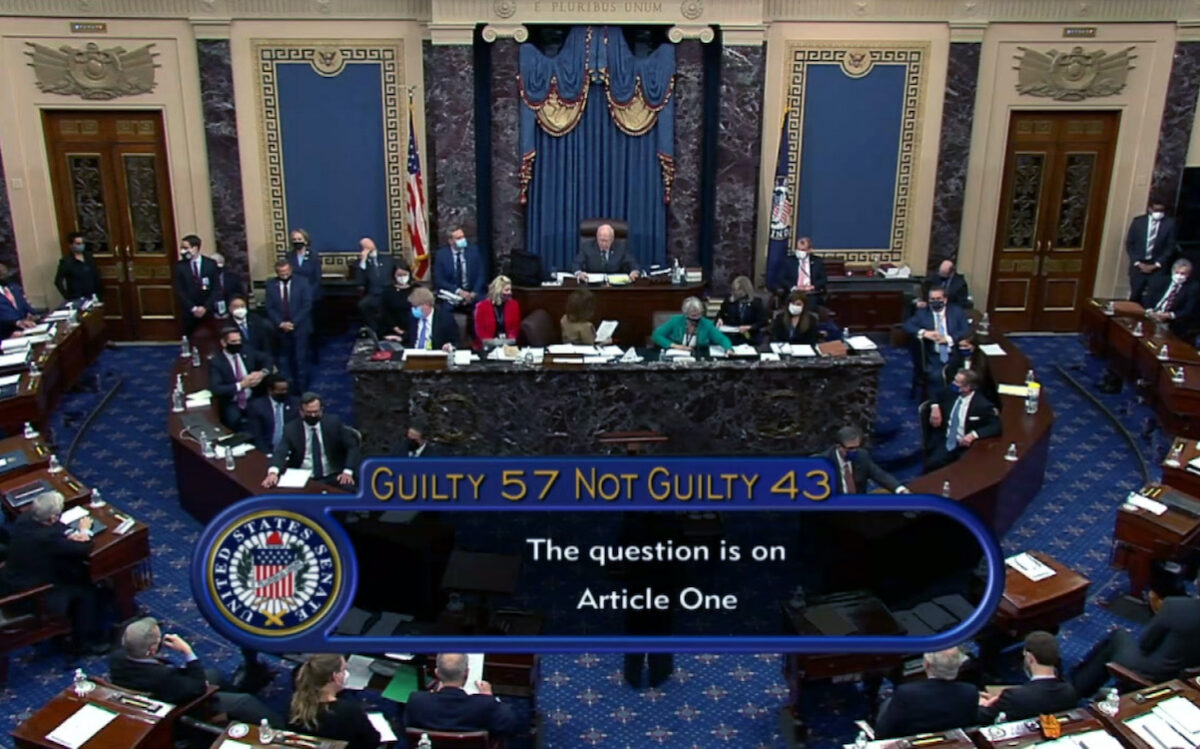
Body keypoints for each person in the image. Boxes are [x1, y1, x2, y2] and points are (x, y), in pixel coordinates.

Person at [109, 617, 282, 725]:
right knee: (244, 701)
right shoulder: (164, 676)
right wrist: (187, 651)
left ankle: (240, 689)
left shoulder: (116, 658)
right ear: (153, 650)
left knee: (215, 674)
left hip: (157, 690)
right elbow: (198, 687)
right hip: (180, 707)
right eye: (159, 639)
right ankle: (282, 730)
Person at [0, 491, 106, 655]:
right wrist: (84, 531)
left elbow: (55, 529)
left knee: (72, 572)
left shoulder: (25, 519)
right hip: (31, 596)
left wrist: (70, 533)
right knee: (86, 591)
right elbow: (83, 548)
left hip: (12, 582)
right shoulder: (46, 538)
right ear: (51, 518)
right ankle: (83, 643)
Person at [1071, 570, 1200, 698]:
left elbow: (1145, 644)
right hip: (1184, 680)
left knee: (1118, 637)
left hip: (1153, 672)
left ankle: (1075, 690)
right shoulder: (1179, 606)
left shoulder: (1176, 606)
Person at [404, 653, 518, 737]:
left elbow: (407, 728)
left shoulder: (417, 701)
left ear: (437, 673)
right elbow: (510, 726)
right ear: (467, 673)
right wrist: (489, 696)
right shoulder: (485, 704)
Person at [262, 392, 360, 488]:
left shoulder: (333, 423)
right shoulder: (291, 429)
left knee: (349, 489)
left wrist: (347, 471)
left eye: (316, 412)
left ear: (321, 410)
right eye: (309, 412)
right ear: (301, 412)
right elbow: (281, 452)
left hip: (333, 474)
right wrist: (273, 473)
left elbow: (352, 446)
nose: (313, 415)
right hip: (303, 476)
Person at [875, 648, 977, 738]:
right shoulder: (970, 691)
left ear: (926, 664)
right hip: (952, 743)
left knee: (886, 699)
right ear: (959, 665)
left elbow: (883, 732)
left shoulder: (906, 693)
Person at [979, 631, 1076, 724]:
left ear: (1030, 658)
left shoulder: (1014, 696)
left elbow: (983, 717)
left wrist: (980, 702)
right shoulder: (1069, 691)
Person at [288, 654, 380, 749]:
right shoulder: (349, 711)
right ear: (335, 676)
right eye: (343, 670)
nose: (346, 674)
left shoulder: (293, 704)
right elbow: (372, 740)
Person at [926, 368, 1001, 470]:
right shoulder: (950, 393)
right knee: (932, 465)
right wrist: (935, 407)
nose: (953, 383)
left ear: (967, 387)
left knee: (964, 470)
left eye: (957, 382)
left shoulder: (982, 405)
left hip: (965, 446)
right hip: (946, 440)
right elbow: (934, 393)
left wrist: (973, 435)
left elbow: (995, 426)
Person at [904, 286, 969, 400]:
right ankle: (937, 404)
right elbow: (907, 326)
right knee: (937, 377)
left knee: (964, 375)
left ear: (945, 299)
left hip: (954, 354)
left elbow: (965, 330)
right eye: (932, 299)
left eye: (938, 298)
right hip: (933, 355)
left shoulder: (956, 311)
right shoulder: (923, 313)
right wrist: (924, 333)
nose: (935, 302)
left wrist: (948, 339)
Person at [209, 327, 271, 431]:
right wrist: (241, 385)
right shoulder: (217, 362)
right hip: (233, 401)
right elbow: (216, 388)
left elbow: (268, 358)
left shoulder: (247, 351)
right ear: (223, 343)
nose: (237, 344)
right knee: (233, 421)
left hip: (252, 397)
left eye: (239, 341)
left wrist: (262, 373)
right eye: (233, 341)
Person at [265, 258, 312, 392]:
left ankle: (302, 389)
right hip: (280, 329)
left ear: (290, 270)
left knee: (300, 359)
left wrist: (293, 323)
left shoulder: (302, 282)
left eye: (286, 272)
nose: (284, 275)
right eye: (281, 273)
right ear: (277, 272)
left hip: (299, 327)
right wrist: (280, 323)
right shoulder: (270, 285)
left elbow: (307, 305)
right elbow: (270, 308)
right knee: (286, 359)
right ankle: (288, 388)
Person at [817, 425, 907, 494]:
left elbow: (880, 475)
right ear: (839, 447)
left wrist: (899, 489)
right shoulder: (822, 461)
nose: (854, 451)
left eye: (857, 447)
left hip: (858, 508)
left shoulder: (862, 456)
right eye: (850, 448)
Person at [1126, 200, 1176, 304]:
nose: (1159, 213)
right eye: (1156, 210)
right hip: (1138, 267)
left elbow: (1170, 247)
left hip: (1157, 268)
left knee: (1152, 298)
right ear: (1150, 209)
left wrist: (1156, 265)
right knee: (1135, 296)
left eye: (1162, 210)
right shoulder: (1138, 222)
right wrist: (1138, 263)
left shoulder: (1169, 224)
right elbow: (1130, 244)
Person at [433, 226, 488, 313]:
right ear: (451, 241)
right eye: (459, 238)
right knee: (444, 309)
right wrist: (458, 291)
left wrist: (473, 293)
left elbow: (481, 275)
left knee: (484, 305)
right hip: (453, 293)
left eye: (463, 237)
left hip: (472, 292)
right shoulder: (441, 255)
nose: (463, 240)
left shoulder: (474, 251)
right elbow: (439, 280)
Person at [173, 234, 218, 337]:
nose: (182, 251)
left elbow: (216, 288)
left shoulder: (210, 264)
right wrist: (193, 308)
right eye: (181, 248)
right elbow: (179, 290)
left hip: (207, 310)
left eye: (185, 248)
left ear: (195, 248)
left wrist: (205, 307)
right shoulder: (180, 266)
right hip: (189, 311)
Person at [652, 296, 732, 352]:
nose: (697, 318)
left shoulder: (706, 324)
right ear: (686, 314)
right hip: (677, 356)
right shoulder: (676, 321)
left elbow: (722, 339)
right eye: (693, 315)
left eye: (699, 314)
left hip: (698, 357)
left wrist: (728, 349)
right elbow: (656, 335)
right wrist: (676, 346)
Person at [1143, 258, 1198, 338]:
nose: (1179, 276)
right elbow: (1147, 298)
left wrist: (1168, 315)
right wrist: (1150, 311)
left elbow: (1188, 311)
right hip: (1151, 315)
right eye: (1177, 272)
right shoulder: (1161, 281)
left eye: (1183, 274)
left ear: (1188, 275)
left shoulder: (1192, 288)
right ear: (1172, 271)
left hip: (1171, 322)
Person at [769, 236, 827, 308]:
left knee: (812, 303)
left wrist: (813, 286)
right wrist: (794, 287)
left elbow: (823, 279)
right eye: (798, 249)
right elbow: (781, 278)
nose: (799, 252)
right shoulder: (788, 261)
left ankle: (809, 318)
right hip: (794, 292)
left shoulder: (817, 261)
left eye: (803, 250)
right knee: (794, 301)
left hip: (810, 293)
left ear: (810, 250)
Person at [247, 374, 298, 454]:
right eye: (280, 390)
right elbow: (257, 436)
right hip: (267, 450)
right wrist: (267, 454)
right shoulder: (257, 406)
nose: (284, 392)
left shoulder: (295, 404)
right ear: (270, 390)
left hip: (291, 450)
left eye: (286, 389)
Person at [573, 223, 641, 280]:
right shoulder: (587, 247)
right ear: (597, 237)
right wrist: (579, 273)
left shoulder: (621, 247)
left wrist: (634, 272)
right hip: (592, 285)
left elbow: (633, 263)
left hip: (615, 286)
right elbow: (576, 263)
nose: (603, 243)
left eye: (606, 241)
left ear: (612, 239)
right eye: (601, 240)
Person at [356, 237, 395, 330]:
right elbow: (360, 280)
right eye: (365, 245)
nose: (368, 246)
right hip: (374, 294)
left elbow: (397, 272)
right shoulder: (361, 263)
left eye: (369, 243)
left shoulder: (387, 258)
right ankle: (373, 330)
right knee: (363, 305)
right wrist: (363, 261)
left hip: (389, 292)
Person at [404, 287, 459, 352]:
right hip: (413, 355)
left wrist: (449, 346)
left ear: (427, 304)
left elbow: (455, 342)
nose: (413, 309)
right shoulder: (412, 318)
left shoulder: (445, 318)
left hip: (434, 356)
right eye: (412, 306)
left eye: (416, 306)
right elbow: (408, 339)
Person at [473, 275, 521, 348]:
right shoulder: (481, 307)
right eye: (506, 290)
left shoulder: (513, 305)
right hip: (487, 345)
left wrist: (508, 341)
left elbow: (515, 328)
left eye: (510, 290)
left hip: (508, 345)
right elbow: (480, 331)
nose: (510, 293)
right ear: (498, 291)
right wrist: (492, 342)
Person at [716, 275, 766, 345]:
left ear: (746, 290)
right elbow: (721, 314)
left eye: (738, 291)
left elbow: (762, 322)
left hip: (749, 336)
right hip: (732, 336)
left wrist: (750, 327)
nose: (735, 293)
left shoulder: (756, 303)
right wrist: (720, 319)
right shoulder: (729, 300)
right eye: (734, 290)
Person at [54, 232, 102, 301]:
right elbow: (58, 281)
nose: (81, 245)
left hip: (92, 296)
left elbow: (95, 276)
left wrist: (99, 293)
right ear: (71, 245)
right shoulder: (66, 262)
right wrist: (67, 296)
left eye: (83, 243)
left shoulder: (89, 258)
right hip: (77, 297)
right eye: (78, 244)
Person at [227, 296, 274, 363]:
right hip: (240, 361)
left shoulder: (256, 320)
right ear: (230, 309)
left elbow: (265, 343)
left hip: (260, 358)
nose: (240, 309)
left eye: (242, 306)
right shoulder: (227, 326)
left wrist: (269, 360)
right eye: (236, 307)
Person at [379, 263, 416, 341]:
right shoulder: (388, 291)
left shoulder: (417, 289)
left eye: (405, 274)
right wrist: (396, 329)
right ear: (394, 276)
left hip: (414, 327)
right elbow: (385, 312)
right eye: (399, 275)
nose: (402, 277)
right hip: (393, 328)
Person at [0, 262, 38, 338]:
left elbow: (26, 307)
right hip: (7, 335)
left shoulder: (14, 287)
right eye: (1, 274)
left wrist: (32, 314)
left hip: (27, 330)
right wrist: (18, 322)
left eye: (5, 273)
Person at [211, 253, 244, 318]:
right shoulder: (206, 278)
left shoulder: (232, 277)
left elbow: (239, 295)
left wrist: (231, 310)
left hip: (231, 313)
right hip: (211, 314)